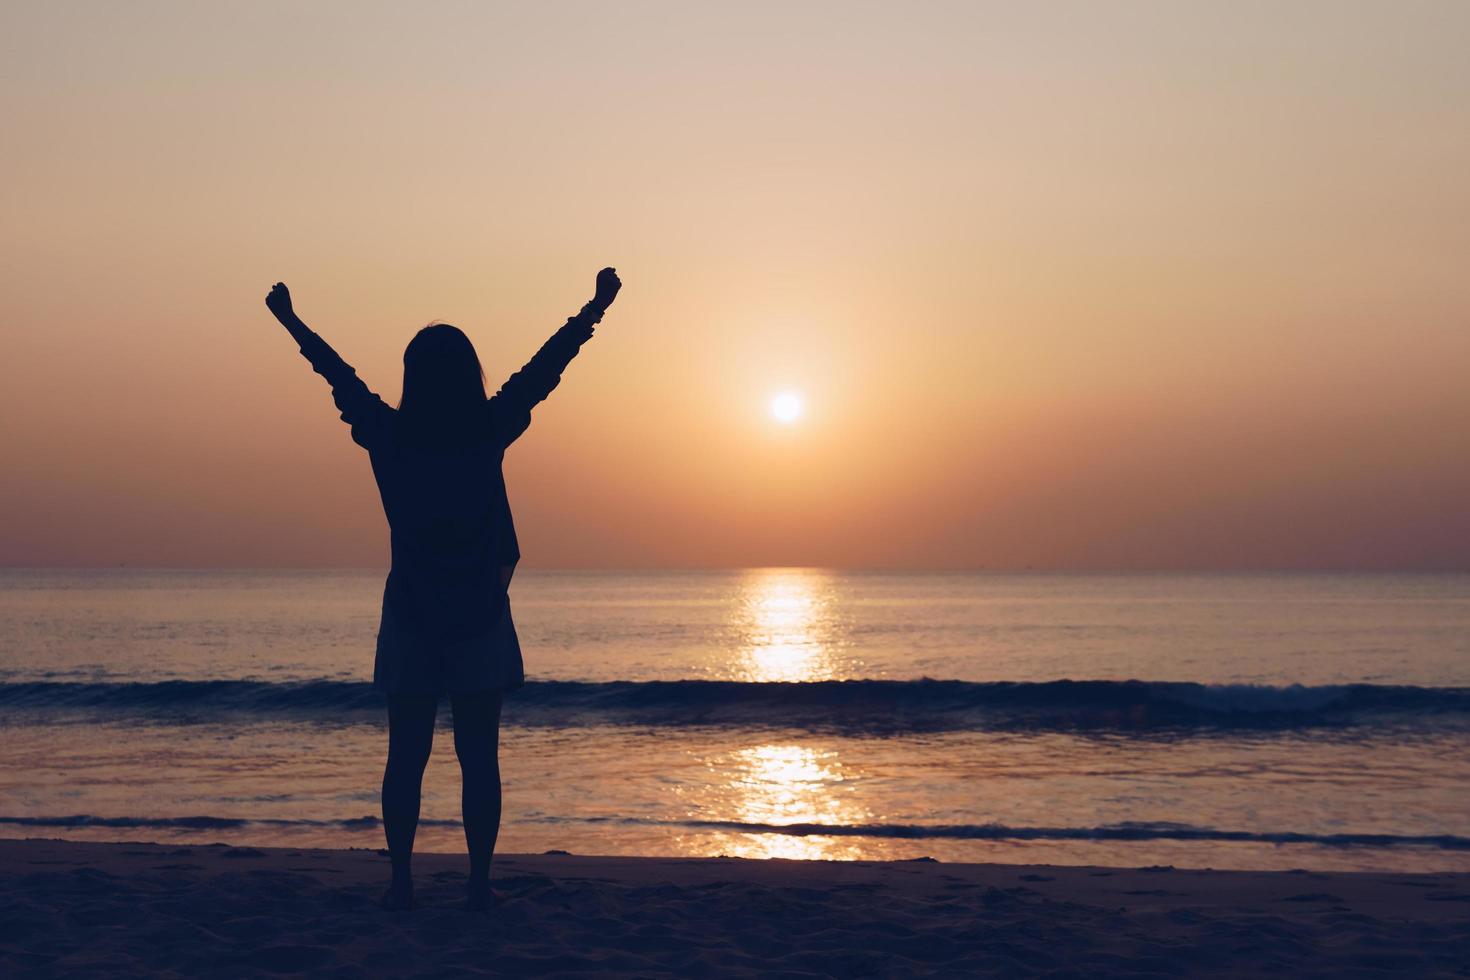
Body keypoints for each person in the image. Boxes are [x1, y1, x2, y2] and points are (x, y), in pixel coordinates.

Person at [265, 267, 622, 910]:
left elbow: (336, 376)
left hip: (412, 618)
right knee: (478, 759)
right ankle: (477, 884)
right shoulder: (486, 431)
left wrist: (291, 322)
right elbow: (545, 369)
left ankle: (401, 882)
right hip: (479, 616)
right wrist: (593, 309)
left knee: (408, 757)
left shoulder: (390, 434)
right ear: (470, 376)